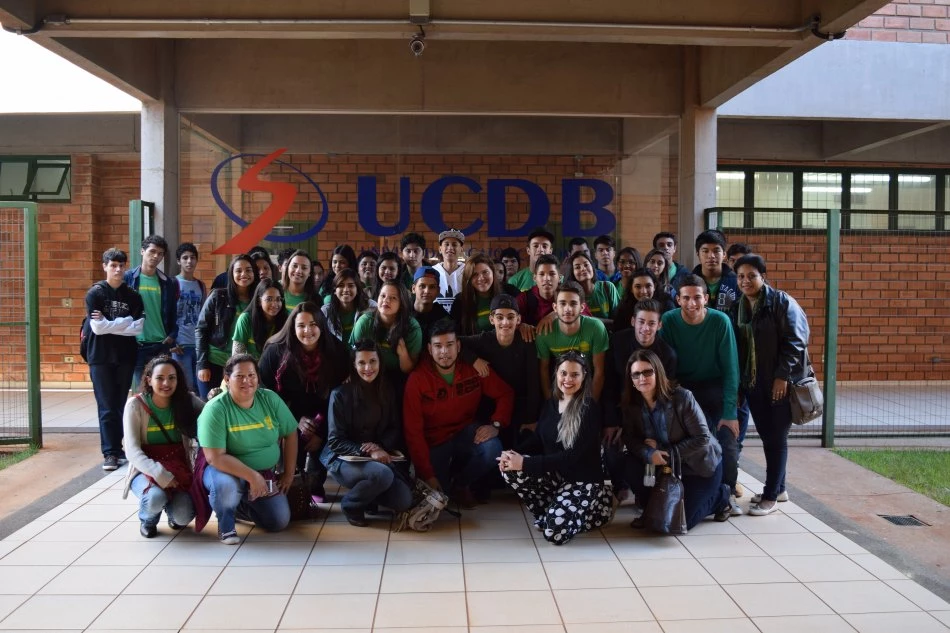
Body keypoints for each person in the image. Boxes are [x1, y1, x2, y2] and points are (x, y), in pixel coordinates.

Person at [499, 351, 613, 545]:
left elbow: (570, 457)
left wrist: (525, 462)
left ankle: (596, 511)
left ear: (584, 376)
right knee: (510, 469)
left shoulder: (589, 409)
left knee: (554, 533)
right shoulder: (551, 403)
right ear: (556, 374)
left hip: (581, 481)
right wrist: (512, 454)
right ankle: (549, 512)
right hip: (556, 476)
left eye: (575, 375)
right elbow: (538, 439)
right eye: (564, 373)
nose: (568, 379)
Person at [403, 319, 514, 506]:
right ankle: (446, 483)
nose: (444, 352)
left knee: (492, 449)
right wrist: (428, 474)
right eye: (438, 346)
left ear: (459, 346)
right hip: (434, 441)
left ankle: (461, 484)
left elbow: (505, 393)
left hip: (465, 433)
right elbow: (413, 432)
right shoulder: (417, 379)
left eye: (449, 345)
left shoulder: (475, 368)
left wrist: (496, 424)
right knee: (440, 496)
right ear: (429, 349)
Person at [731, 254, 810, 515]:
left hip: (780, 382)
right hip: (753, 382)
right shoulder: (738, 306)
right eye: (740, 276)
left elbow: (796, 341)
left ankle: (771, 495)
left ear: (763, 276)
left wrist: (782, 376)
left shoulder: (781, 302)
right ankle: (780, 488)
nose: (745, 281)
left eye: (751, 275)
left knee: (776, 438)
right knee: (768, 436)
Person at [621, 349, 732, 530]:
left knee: (680, 522)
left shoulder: (681, 397)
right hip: (665, 468)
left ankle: (721, 496)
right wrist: (648, 453)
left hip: (697, 467)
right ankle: (650, 510)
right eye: (636, 374)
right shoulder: (631, 404)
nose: (642, 378)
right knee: (629, 464)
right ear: (631, 379)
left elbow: (702, 438)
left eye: (648, 372)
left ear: (658, 372)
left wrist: (664, 451)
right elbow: (629, 438)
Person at [661, 274, 742, 515]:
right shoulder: (669, 321)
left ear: (706, 298)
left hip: (714, 386)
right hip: (683, 389)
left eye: (697, 297)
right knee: (695, 441)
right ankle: (690, 489)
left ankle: (727, 492)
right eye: (686, 298)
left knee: (726, 438)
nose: (692, 303)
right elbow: (666, 366)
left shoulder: (720, 321)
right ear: (678, 299)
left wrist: (730, 413)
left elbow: (731, 369)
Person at [197, 354, 298, 543]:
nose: (247, 381)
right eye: (240, 376)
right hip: (224, 470)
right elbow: (215, 458)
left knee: (278, 521)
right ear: (227, 379)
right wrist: (253, 476)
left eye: (251, 375)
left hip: (262, 471)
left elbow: (290, 432)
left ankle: (238, 505)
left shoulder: (269, 399)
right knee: (226, 488)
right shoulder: (215, 409)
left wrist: (288, 473)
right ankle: (226, 524)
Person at [259, 303, 349, 501]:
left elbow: (341, 398)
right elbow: (265, 394)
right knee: (291, 474)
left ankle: (316, 482)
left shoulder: (337, 352)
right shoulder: (276, 351)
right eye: (301, 325)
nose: (307, 331)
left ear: (322, 326)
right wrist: (293, 422)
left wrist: (321, 432)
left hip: (324, 415)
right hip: (287, 415)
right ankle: (290, 484)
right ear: (293, 328)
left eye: (313, 324)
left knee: (316, 480)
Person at [321, 340, 413, 526]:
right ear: (354, 365)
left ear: (380, 362)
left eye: (373, 361)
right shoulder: (339, 394)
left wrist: (379, 447)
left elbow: (395, 428)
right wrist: (368, 451)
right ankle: (351, 505)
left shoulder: (387, 390)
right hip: (344, 458)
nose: (368, 368)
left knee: (404, 500)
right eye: (361, 363)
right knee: (382, 475)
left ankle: (369, 497)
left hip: (378, 456)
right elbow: (335, 441)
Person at [122, 356, 203, 537]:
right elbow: (132, 451)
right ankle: (148, 520)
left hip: (179, 470)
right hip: (145, 470)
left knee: (183, 517)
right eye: (160, 378)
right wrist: (160, 474)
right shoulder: (135, 405)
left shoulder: (187, 400)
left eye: (172, 378)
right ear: (149, 380)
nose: (166, 383)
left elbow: (212, 413)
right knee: (155, 497)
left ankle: (172, 512)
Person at [86, 248, 145, 471]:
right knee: (106, 405)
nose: (118, 269)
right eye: (113, 265)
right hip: (100, 356)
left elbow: (137, 328)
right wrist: (124, 321)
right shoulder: (95, 294)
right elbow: (97, 328)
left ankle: (119, 449)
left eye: (121, 265)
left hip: (125, 356)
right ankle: (109, 453)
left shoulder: (133, 296)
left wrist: (110, 323)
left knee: (120, 404)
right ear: (105, 267)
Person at [460, 294, 542, 447]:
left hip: (521, 404)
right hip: (493, 406)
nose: (505, 322)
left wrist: (531, 419)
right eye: (499, 317)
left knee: (524, 445)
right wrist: (474, 360)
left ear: (518, 319)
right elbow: (454, 342)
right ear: (492, 319)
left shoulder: (527, 341)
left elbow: (533, 383)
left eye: (510, 317)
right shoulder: (484, 340)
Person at [196, 255, 257, 400]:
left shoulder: (258, 301)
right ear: (231, 274)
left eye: (248, 270)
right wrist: (202, 364)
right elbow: (201, 329)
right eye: (238, 270)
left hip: (242, 366)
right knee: (210, 406)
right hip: (214, 362)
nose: (244, 274)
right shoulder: (218, 296)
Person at [535, 282, 609, 402]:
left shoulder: (596, 328)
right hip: (561, 386)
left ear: (582, 307)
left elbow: (599, 371)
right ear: (555, 307)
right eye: (562, 303)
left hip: (588, 384)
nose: (567, 309)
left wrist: (592, 403)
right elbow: (544, 370)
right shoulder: (544, 333)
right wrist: (550, 401)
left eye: (573, 304)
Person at [125, 235, 179, 388]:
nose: (156, 256)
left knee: (162, 388)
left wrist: (172, 335)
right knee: (143, 389)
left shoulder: (167, 282)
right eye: (152, 251)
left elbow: (173, 312)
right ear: (142, 251)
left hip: (161, 344)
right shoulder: (128, 278)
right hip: (137, 344)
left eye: (160, 254)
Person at [349, 281, 422, 380]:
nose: (386, 300)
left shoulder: (412, 327)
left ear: (401, 303)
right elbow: (354, 357)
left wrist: (403, 354)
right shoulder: (364, 322)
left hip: (398, 376)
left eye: (393, 298)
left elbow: (408, 370)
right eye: (383, 296)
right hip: (368, 373)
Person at [515, 254, 592, 329]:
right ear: (535, 278)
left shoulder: (570, 294)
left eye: (552, 274)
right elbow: (511, 318)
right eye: (542, 274)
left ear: (560, 278)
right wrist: (520, 326)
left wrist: (557, 313)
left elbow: (589, 322)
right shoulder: (525, 298)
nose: (547, 278)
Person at [450, 253, 514, 335]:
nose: (481, 278)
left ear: (493, 272)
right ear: (469, 278)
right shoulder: (460, 302)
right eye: (475, 274)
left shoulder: (509, 293)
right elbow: (456, 335)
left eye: (485, 272)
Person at [173, 242, 206, 393]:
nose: (189, 261)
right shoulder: (173, 283)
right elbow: (166, 314)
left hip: (198, 344)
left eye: (192, 257)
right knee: (185, 387)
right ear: (178, 261)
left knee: (200, 387)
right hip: (180, 345)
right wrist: (172, 341)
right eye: (185, 258)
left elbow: (204, 315)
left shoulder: (200, 285)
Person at [231, 279, 288, 360]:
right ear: (259, 301)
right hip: (251, 366)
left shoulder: (286, 319)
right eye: (269, 299)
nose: (274, 304)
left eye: (278, 299)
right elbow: (237, 356)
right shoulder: (245, 319)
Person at [565, 251, 620, 327]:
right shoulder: (571, 295)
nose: (583, 269)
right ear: (572, 272)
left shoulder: (607, 287)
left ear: (592, 267)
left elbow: (618, 320)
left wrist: (588, 319)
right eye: (577, 267)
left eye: (586, 265)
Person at [321, 268, 376, 341]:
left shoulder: (370, 305)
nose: (346, 290)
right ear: (335, 290)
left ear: (357, 289)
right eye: (341, 285)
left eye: (350, 286)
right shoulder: (325, 311)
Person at [693, 230, 739, 314]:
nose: (711, 256)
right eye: (705, 251)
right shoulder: (689, 282)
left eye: (716, 251)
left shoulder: (736, 281)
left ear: (724, 254)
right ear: (698, 254)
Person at [410, 266, 450, 340]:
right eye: (422, 286)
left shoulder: (442, 317)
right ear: (413, 289)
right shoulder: (403, 314)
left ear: (438, 291)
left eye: (432, 287)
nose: (427, 291)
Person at [432, 229, 465, 308]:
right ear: (440, 249)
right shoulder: (432, 271)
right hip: (436, 314)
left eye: (454, 245)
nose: (450, 248)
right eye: (446, 244)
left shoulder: (467, 271)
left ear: (461, 249)